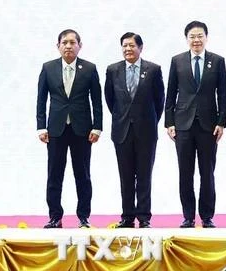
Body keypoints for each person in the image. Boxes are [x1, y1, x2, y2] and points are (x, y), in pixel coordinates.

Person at [36, 29, 102, 228]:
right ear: (58, 46)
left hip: (82, 130)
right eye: (64, 42)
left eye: (73, 42)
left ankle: (83, 217)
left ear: (79, 46)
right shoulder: (48, 68)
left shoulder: (89, 69)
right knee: (54, 174)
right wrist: (41, 127)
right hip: (55, 130)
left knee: (83, 175)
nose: (68, 46)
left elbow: (97, 101)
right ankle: (55, 217)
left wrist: (97, 127)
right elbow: (41, 100)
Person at [164, 20, 226, 229]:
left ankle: (207, 216)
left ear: (206, 38)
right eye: (192, 36)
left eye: (200, 36)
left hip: (209, 126)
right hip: (183, 124)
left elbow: (223, 94)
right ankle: (188, 216)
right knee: (185, 172)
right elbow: (170, 92)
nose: (196, 40)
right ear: (187, 39)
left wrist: (221, 122)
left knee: (207, 172)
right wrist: (169, 122)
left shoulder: (217, 61)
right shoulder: (177, 61)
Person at [104, 32, 165, 228]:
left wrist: (148, 121)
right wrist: (123, 118)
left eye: (131, 45)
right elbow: (110, 100)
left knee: (144, 175)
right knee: (126, 176)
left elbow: (159, 101)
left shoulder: (153, 70)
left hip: (146, 131)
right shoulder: (113, 70)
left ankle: (144, 217)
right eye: (124, 46)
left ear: (140, 48)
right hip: (122, 131)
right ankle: (127, 217)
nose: (128, 49)